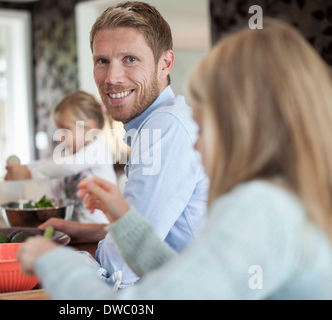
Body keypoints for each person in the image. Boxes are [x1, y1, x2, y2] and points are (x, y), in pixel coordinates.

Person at [17, 18, 332, 299]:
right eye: (102, 60)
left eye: (203, 127)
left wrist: (52, 263)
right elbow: (190, 279)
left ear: (242, 126)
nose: (195, 146)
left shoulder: (260, 206)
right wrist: (125, 222)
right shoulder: (278, 197)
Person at [38, 1, 209, 286]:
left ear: (165, 63)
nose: (112, 79)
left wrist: (72, 258)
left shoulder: (165, 128)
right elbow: (145, 231)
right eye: (102, 61)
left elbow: (122, 271)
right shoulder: (158, 123)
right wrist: (85, 231)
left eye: (130, 59)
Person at [5, 91, 117, 224]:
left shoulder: (98, 149)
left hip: (102, 229)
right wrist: (25, 168)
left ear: (88, 127)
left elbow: (68, 166)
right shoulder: (70, 154)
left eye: (65, 128)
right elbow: (51, 163)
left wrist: (29, 174)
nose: (59, 135)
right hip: (76, 228)